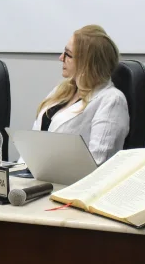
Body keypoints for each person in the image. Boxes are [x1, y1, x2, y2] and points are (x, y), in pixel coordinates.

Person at [33, 25, 129, 165]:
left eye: (68, 54)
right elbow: (34, 142)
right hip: (38, 176)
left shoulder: (111, 100)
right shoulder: (62, 90)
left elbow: (98, 163)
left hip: (72, 183)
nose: (61, 58)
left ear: (87, 62)